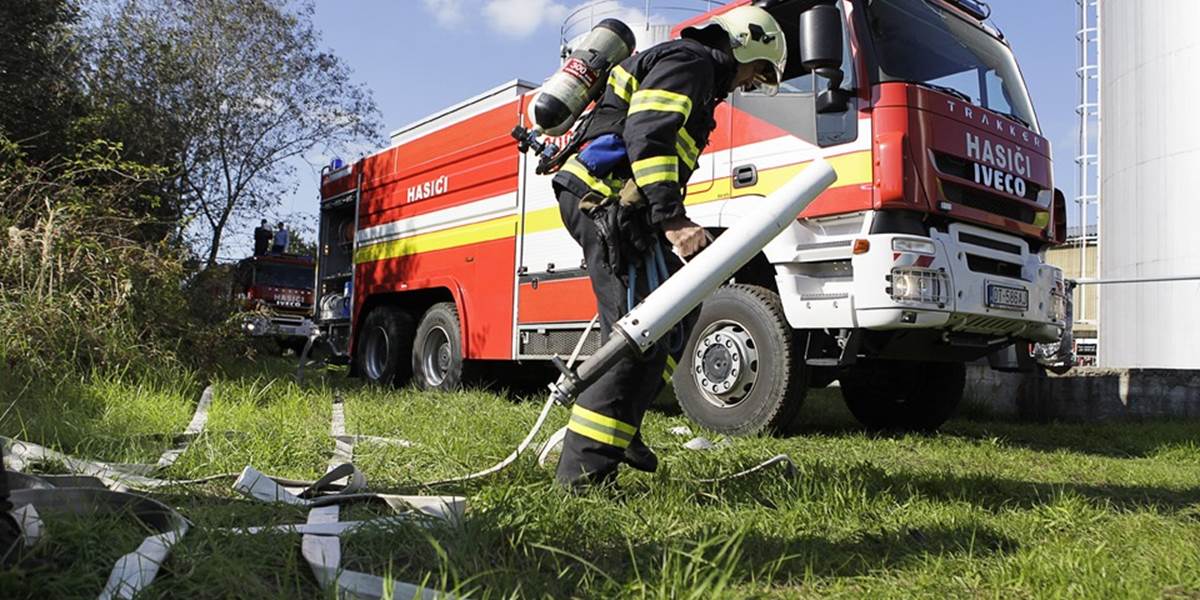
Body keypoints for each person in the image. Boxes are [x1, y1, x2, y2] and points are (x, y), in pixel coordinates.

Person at [552, 6, 787, 490]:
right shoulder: (691, 62)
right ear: (745, 44)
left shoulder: (696, 70)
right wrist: (673, 221)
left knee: (675, 314)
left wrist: (661, 216)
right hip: (605, 203)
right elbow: (649, 134)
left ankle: (625, 425)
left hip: (627, 208)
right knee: (634, 340)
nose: (750, 84)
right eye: (757, 72)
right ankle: (582, 480)